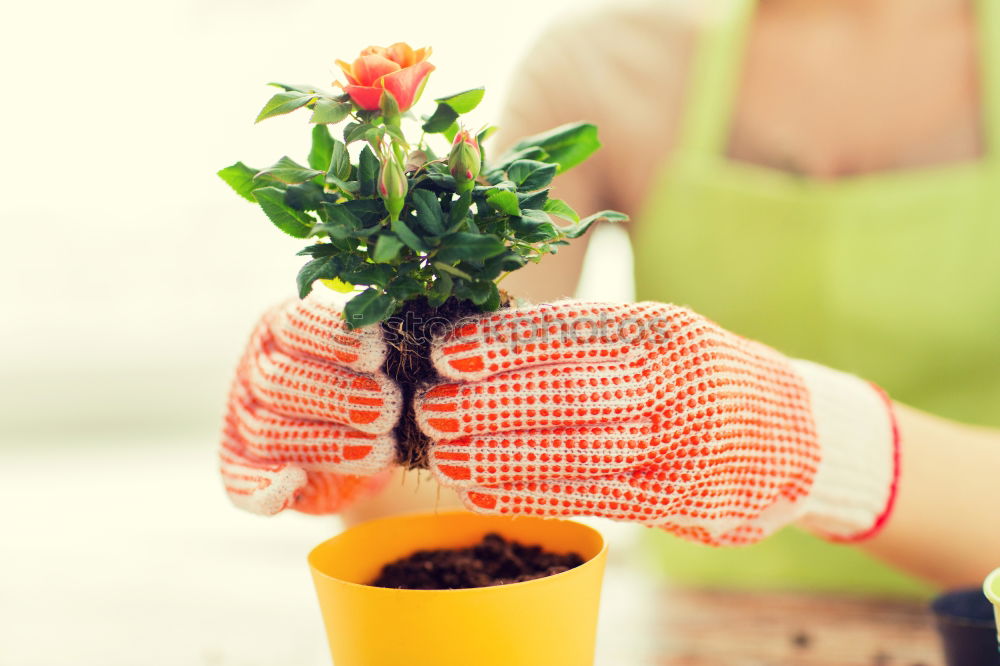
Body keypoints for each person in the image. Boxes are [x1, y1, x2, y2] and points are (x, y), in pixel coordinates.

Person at [219, 0, 1000, 595]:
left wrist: (817, 441)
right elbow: (458, 482)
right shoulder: (609, 69)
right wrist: (361, 428)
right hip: (705, 631)